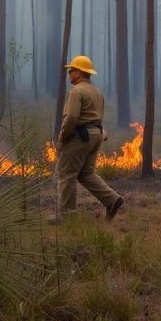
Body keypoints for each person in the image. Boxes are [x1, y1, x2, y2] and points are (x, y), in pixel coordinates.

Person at [55, 55, 124, 221]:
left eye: (71, 71)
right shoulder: (97, 92)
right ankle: (112, 200)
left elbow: (71, 117)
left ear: (78, 73)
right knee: (86, 173)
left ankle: (67, 216)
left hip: (80, 136)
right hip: (96, 135)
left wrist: (62, 139)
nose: (69, 73)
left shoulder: (76, 91)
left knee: (67, 174)